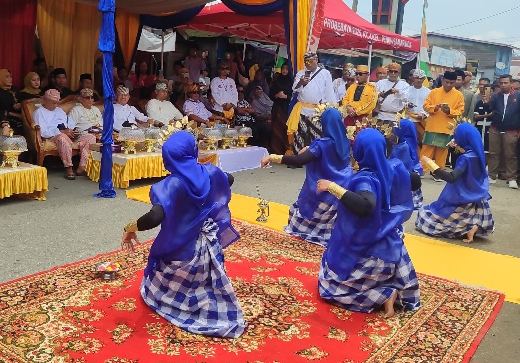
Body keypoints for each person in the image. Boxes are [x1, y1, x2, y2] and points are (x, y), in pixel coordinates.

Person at [121, 130, 246, 337]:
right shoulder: (211, 172)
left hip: (181, 252)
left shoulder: (170, 185)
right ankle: (203, 294)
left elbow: (153, 218)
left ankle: (178, 300)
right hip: (209, 244)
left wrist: (129, 228)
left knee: (157, 277)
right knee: (206, 269)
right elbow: (229, 179)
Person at [316, 129, 420, 318]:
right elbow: (415, 180)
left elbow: (366, 206)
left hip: (367, 250)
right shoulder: (391, 169)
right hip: (389, 247)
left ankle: (383, 295)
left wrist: (332, 187)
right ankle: (387, 286)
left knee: (328, 286)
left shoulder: (366, 178)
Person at [262, 108, 351, 245]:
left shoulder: (322, 144)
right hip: (340, 191)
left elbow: (299, 161)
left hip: (321, 193)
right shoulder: (345, 142)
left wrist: (272, 157)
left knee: (297, 215)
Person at [417, 123, 494, 244]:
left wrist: (431, 164)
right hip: (476, 198)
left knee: (423, 216)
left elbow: (452, 177)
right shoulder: (478, 155)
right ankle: (473, 226)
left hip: (460, 199)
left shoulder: (465, 158)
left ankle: (465, 227)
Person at [33, 89, 96, 180]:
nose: (56, 105)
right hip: (53, 136)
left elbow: (70, 122)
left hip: (68, 134)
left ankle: (82, 167)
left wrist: (71, 131)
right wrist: (62, 132)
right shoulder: (39, 112)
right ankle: (68, 168)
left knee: (90, 137)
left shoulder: (59, 110)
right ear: (45, 100)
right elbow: (43, 132)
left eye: (57, 102)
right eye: (53, 102)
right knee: (63, 137)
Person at [487, 74, 520, 189]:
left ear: (511, 83)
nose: (503, 85)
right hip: (495, 128)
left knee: (510, 154)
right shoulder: (495, 96)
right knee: (493, 153)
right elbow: (491, 110)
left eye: (506, 83)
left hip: (512, 129)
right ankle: (492, 176)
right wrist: (487, 101)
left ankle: (512, 178)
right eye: (501, 83)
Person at [421, 71, 464, 175]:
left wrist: (449, 111)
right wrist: (434, 108)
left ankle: (438, 173)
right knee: (427, 149)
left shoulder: (459, 95)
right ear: (442, 80)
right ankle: (421, 170)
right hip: (432, 125)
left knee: (442, 151)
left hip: (447, 127)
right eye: (447, 82)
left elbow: (460, 111)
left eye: (452, 83)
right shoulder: (434, 92)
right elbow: (425, 106)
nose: (449, 85)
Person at [287, 53, 336, 136]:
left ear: (316, 60)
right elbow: (294, 88)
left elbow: (329, 93)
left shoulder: (325, 73)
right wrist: (301, 82)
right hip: (302, 110)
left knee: (315, 136)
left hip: (317, 112)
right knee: (300, 136)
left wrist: (331, 109)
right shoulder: (301, 73)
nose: (307, 64)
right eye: (305, 61)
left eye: (310, 61)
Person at [392, 119, 424, 216]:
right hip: (413, 177)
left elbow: (397, 165)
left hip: (406, 178)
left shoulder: (402, 146)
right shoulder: (411, 141)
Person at [0, 69, 23, 134]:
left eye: (10, 77)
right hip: (6, 120)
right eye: (7, 77)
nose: (10, 79)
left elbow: (22, 101)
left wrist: (21, 105)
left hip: (21, 119)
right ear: (0, 78)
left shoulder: (15, 89)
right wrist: (11, 114)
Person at [269, 64, 293, 154]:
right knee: (276, 130)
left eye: (287, 69)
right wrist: (276, 95)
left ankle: (286, 152)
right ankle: (276, 151)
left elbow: (295, 96)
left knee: (285, 129)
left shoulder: (292, 82)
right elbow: (271, 94)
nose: (284, 71)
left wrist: (286, 96)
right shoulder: (277, 81)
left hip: (287, 109)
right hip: (277, 108)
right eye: (283, 68)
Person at [406, 69, 430, 148]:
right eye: (417, 78)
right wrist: (407, 105)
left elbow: (430, 105)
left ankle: (420, 159)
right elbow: (401, 103)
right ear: (413, 78)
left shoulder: (428, 92)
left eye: (421, 78)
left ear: (424, 79)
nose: (419, 80)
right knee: (409, 141)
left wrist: (424, 114)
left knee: (421, 142)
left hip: (422, 121)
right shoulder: (407, 90)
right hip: (409, 119)